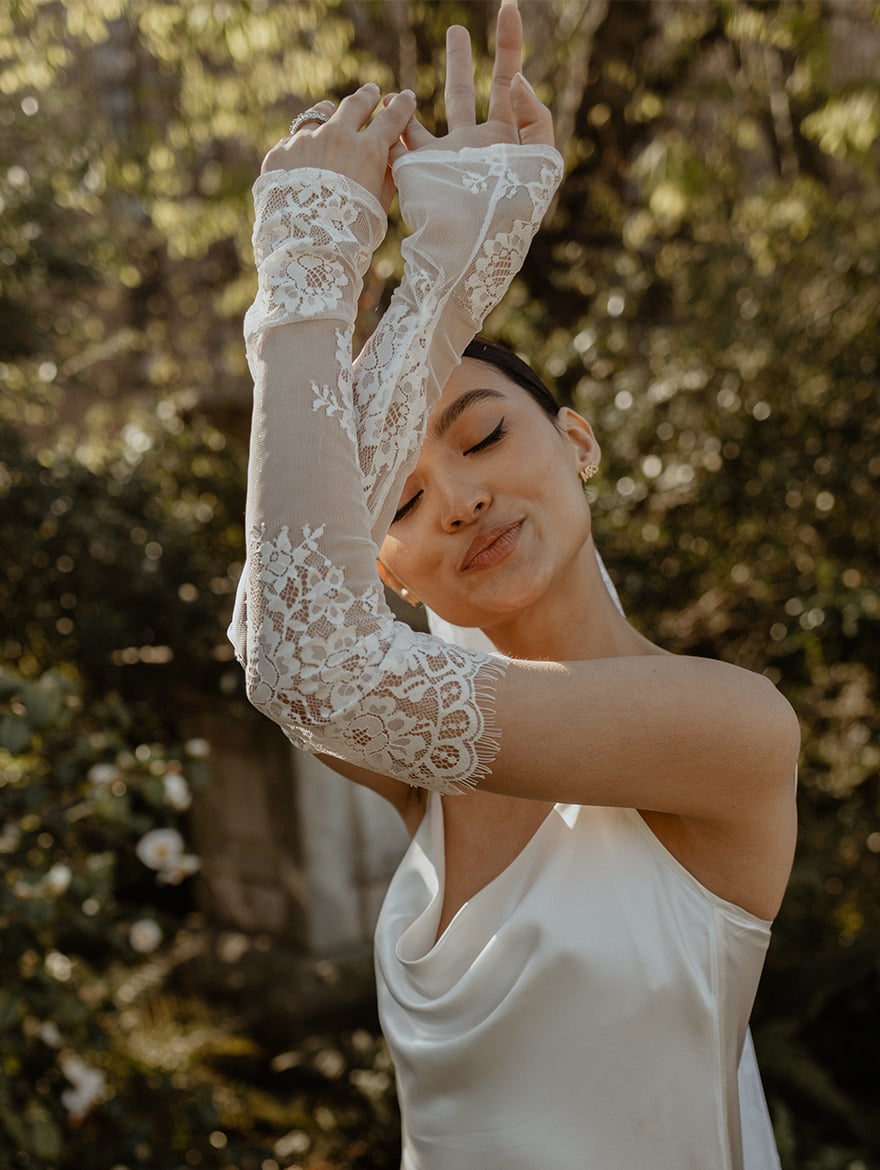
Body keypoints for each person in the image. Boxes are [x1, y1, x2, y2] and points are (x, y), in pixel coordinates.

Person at [229, 1, 799, 1166]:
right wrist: (444, 270)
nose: (456, 499)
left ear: (577, 441)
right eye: (397, 501)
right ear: (374, 559)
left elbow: (312, 658)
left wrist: (314, 267)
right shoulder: (422, 746)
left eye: (485, 437)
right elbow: (277, 627)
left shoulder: (729, 727)